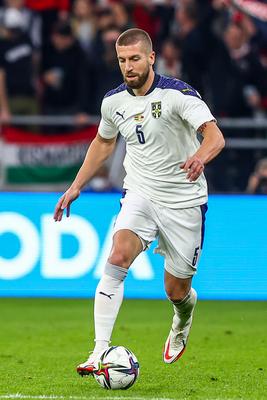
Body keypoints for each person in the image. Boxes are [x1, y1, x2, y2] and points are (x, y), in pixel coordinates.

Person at [54, 28, 225, 373]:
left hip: (183, 201)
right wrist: (76, 185)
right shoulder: (113, 102)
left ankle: (182, 317)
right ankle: (99, 351)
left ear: (150, 58)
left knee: (176, 290)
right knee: (117, 255)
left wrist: (199, 157)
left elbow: (215, 136)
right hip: (140, 193)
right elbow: (104, 143)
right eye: (122, 60)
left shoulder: (178, 94)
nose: (128, 66)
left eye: (134, 59)